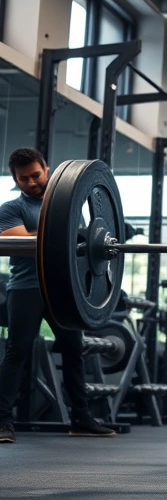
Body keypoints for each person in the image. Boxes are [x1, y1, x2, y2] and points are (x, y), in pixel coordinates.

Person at [0, 148, 116, 443]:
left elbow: (81, 247)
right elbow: (19, 240)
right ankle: (3, 422)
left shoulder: (70, 206)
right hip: (26, 289)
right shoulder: (11, 208)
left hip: (63, 288)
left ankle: (81, 419)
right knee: (17, 352)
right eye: (24, 178)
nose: (32, 182)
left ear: (47, 169)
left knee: (73, 352)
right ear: (16, 180)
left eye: (36, 175)